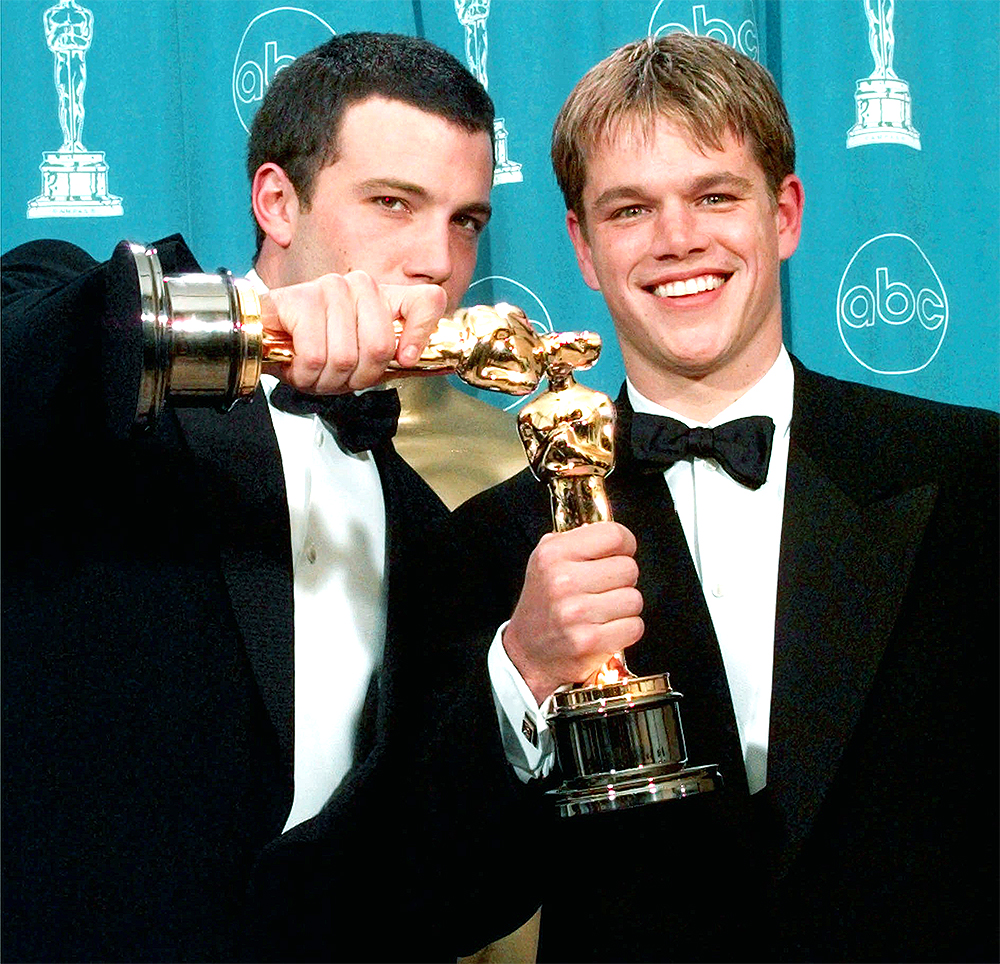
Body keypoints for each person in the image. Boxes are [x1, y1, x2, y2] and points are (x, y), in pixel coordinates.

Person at [452, 34, 998, 962]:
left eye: (714, 195)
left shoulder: (973, 477)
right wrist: (524, 669)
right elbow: (449, 896)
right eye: (631, 210)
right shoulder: (501, 536)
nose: (678, 240)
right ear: (583, 247)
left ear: (784, 214)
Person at [2, 32, 534, 963]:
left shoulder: (423, 523)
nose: (437, 262)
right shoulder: (96, 349)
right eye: (393, 204)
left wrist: (527, 679)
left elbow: (442, 878)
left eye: (465, 222)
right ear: (276, 202)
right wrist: (251, 326)